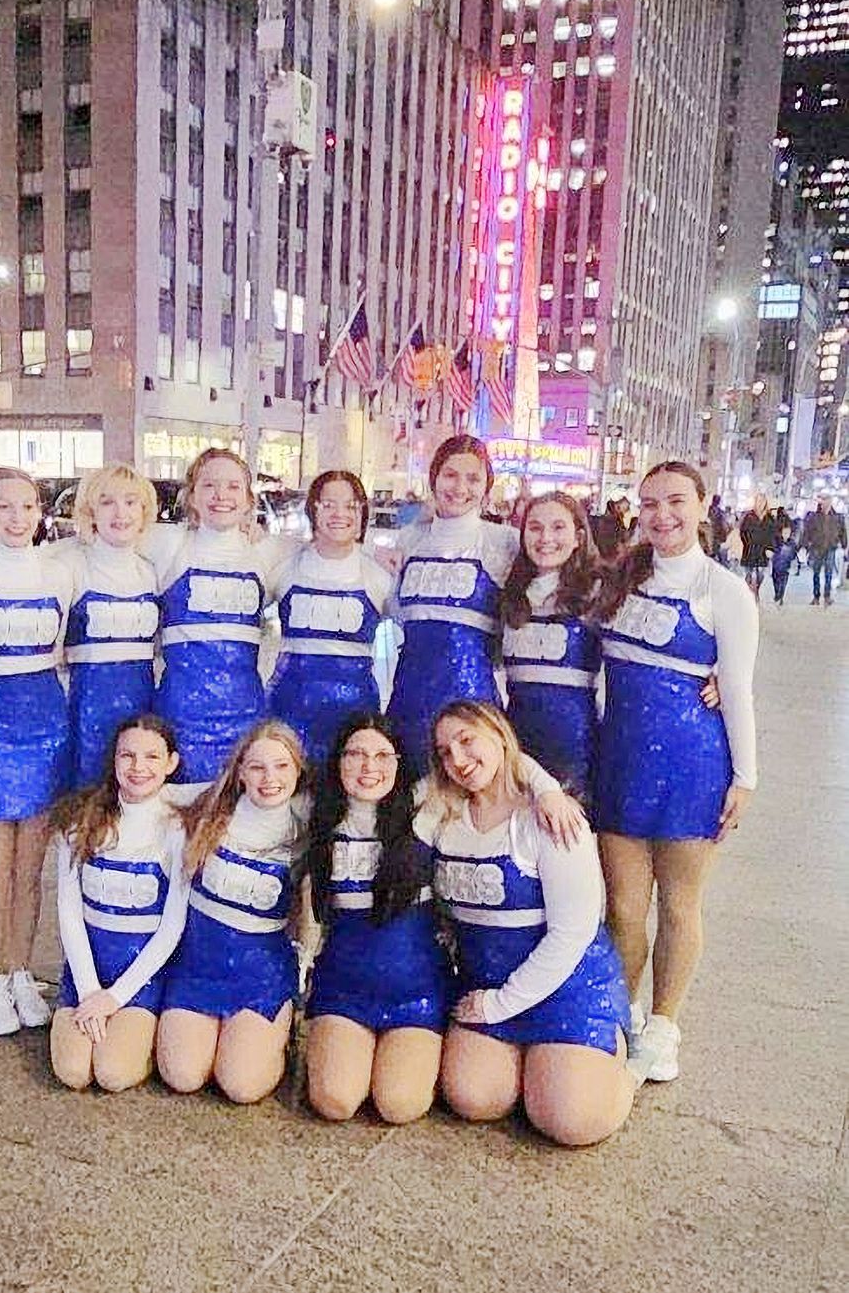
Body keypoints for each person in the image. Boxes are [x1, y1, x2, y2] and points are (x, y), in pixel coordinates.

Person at [592, 461, 758, 1083]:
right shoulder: (622, 581)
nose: (663, 515)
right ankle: (620, 1015)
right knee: (624, 907)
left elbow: (737, 687)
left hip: (693, 766)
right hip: (621, 759)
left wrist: (746, 777)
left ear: (702, 505)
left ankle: (664, 1026)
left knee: (681, 906)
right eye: (651, 504)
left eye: (676, 502)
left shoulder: (724, 590)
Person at [426, 702, 634, 1146]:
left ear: (499, 734)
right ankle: (535, 1069)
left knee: (572, 1122)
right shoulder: (443, 813)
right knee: (472, 1097)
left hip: (565, 989)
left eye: (467, 740)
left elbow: (573, 932)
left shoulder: (548, 817)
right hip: (486, 983)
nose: (458, 760)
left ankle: (611, 1065)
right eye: (445, 751)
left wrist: (545, 788)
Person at [0, 468, 73, 1036]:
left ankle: (23, 970)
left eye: (27, 506)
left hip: (47, 720)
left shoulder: (60, 570)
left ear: (40, 512)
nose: (17, 517)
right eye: (4, 506)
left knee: (31, 868)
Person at [302, 714, 451, 1124]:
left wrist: (549, 793)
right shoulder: (316, 816)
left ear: (401, 763)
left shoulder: (428, 809)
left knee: (398, 1105)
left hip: (415, 990)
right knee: (336, 1101)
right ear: (337, 762)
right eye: (356, 754)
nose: (370, 767)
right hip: (343, 989)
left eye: (383, 755)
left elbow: (500, 762)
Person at [156, 721, 308, 1103]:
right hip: (197, 969)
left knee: (242, 1086)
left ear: (298, 771)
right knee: (183, 1075)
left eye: (281, 766)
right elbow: (153, 790)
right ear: (240, 771)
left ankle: (276, 1032)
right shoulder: (212, 806)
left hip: (259, 976)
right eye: (257, 767)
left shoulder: (306, 823)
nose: (269, 778)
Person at [49, 715, 190, 1092]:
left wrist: (115, 997)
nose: (138, 767)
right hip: (90, 967)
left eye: (151, 757)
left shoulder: (178, 829)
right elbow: (68, 910)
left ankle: (148, 1033)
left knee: (113, 1074)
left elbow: (172, 926)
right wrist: (89, 989)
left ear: (171, 763)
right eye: (128, 756)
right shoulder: (80, 819)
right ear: (114, 760)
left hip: (142, 973)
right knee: (74, 1072)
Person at [145, 449, 288, 783]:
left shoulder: (267, 552)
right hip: (179, 720)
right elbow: (102, 539)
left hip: (246, 720)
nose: (221, 495)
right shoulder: (168, 542)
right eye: (209, 485)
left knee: (237, 822)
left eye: (233, 486)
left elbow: (333, 550)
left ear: (249, 499)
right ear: (191, 496)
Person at [386, 436, 518, 778]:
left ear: (487, 486)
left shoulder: (503, 542)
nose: (460, 487)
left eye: (473, 478)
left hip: (473, 707)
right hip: (408, 700)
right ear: (434, 478)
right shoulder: (410, 539)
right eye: (450, 475)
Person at [266, 471, 394, 770]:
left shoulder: (379, 576)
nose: (340, 514)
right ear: (312, 508)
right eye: (329, 504)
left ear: (363, 512)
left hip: (354, 721)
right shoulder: (285, 566)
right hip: (288, 715)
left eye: (351, 506)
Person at [55, 466, 160, 787]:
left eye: (131, 502)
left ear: (144, 512)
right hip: (85, 711)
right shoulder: (68, 564)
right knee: (86, 804)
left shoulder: (152, 570)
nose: (120, 513)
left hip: (142, 707)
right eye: (107, 502)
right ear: (90, 511)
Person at [498, 492, 602, 801]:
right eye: (535, 527)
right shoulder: (511, 594)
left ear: (578, 537)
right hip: (515, 743)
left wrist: (713, 673)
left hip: (576, 749)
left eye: (558, 528)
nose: (546, 538)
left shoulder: (598, 590)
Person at [802, 495, 847, 607]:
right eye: (823, 501)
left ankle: (827, 596)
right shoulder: (814, 516)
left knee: (829, 573)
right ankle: (816, 596)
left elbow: (842, 531)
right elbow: (807, 531)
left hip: (830, 547)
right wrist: (805, 545)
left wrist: (844, 543)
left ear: (830, 502)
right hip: (817, 547)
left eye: (827, 500)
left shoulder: (837, 517)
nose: (825, 503)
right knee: (816, 573)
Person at [738, 493, 776, 603]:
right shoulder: (748, 516)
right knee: (749, 574)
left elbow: (773, 535)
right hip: (750, 549)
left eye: (762, 501)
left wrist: (770, 548)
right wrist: (747, 542)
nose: (760, 503)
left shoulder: (769, 518)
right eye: (758, 501)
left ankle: (756, 590)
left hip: (763, 550)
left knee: (761, 574)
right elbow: (742, 532)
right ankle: (748, 595)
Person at [770, 521, 799, 607]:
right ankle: (777, 594)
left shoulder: (792, 543)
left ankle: (780, 596)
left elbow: (794, 555)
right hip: (776, 565)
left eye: (788, 533)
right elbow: (773, 551)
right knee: (776, 581)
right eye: (785, 532)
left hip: (786, 566)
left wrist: (795, 565)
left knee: (783, 582)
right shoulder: (777, 542)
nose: (786, 534)